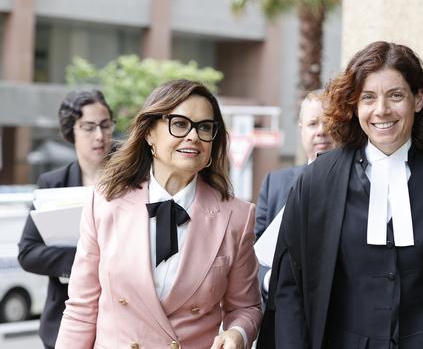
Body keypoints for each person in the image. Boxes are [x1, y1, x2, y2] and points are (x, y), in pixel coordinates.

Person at [257, 41, 423, 349]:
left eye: (396, 95)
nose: (381, 110)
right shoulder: (317, 181)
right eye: (368, 98)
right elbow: (290, 288)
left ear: (418, 99)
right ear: (354, 105)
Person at [55, 80, 262, 349]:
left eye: (204, 127)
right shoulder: (104, 202)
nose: (193, 136)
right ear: (150, 133)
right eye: (179, 123)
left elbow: (246, 307)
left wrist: (237, 334)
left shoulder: (237, 217)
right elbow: (81, 311)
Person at [18, 90, 113, 349]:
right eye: (88, 127)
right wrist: (86, 260)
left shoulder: (132, 180)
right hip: (62, 322)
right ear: (71, 131)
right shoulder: (53, 183)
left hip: (119, 322)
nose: (99, 136)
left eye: (105, 125)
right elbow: (28, 252)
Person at [254, 90, 335, 304]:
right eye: (313, 124)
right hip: (279, 312)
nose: (321, 131)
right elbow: (250, 256)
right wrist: (270, 280)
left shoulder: (361, 183)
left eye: (329, 121)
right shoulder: (275, 184)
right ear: (301, 129)